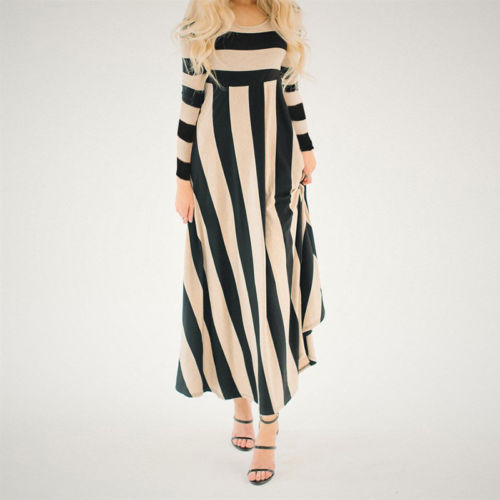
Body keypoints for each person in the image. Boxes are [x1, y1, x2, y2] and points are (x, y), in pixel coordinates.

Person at [173, 0, 325, 485]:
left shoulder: (281, 20)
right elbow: (190, 104)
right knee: (230, 283)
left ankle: (269, 425)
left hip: (275, 172)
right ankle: (241, 400)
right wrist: (182, 180)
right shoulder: (202, 25)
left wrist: (307, 148)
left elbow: (290, 89)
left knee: (271, 289)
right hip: (217, 175)